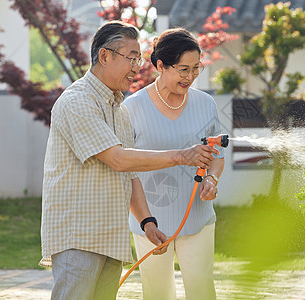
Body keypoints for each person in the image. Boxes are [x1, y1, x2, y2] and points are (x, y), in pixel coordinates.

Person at [39, 21, 219, 300]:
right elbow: (119, 160)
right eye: (131, 58)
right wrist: (183, 156)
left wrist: (147, 222)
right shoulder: (78, 102)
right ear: (105, 56)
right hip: (78, 237)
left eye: (138, 58)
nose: (137, 66)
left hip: (109, 235)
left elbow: (130, 174)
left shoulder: (118, 109)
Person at [123, 28, 225, 300]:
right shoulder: (132, 108)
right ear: (160, 65)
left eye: (196, 68)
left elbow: (217, 157)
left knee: (202, 288)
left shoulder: (205, 104)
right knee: (157, 292)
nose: (190, 77)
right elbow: (126, 166)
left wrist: (212, 180)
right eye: (182, 69)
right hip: (150, 221)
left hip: (197, 216)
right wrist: (145, 221)